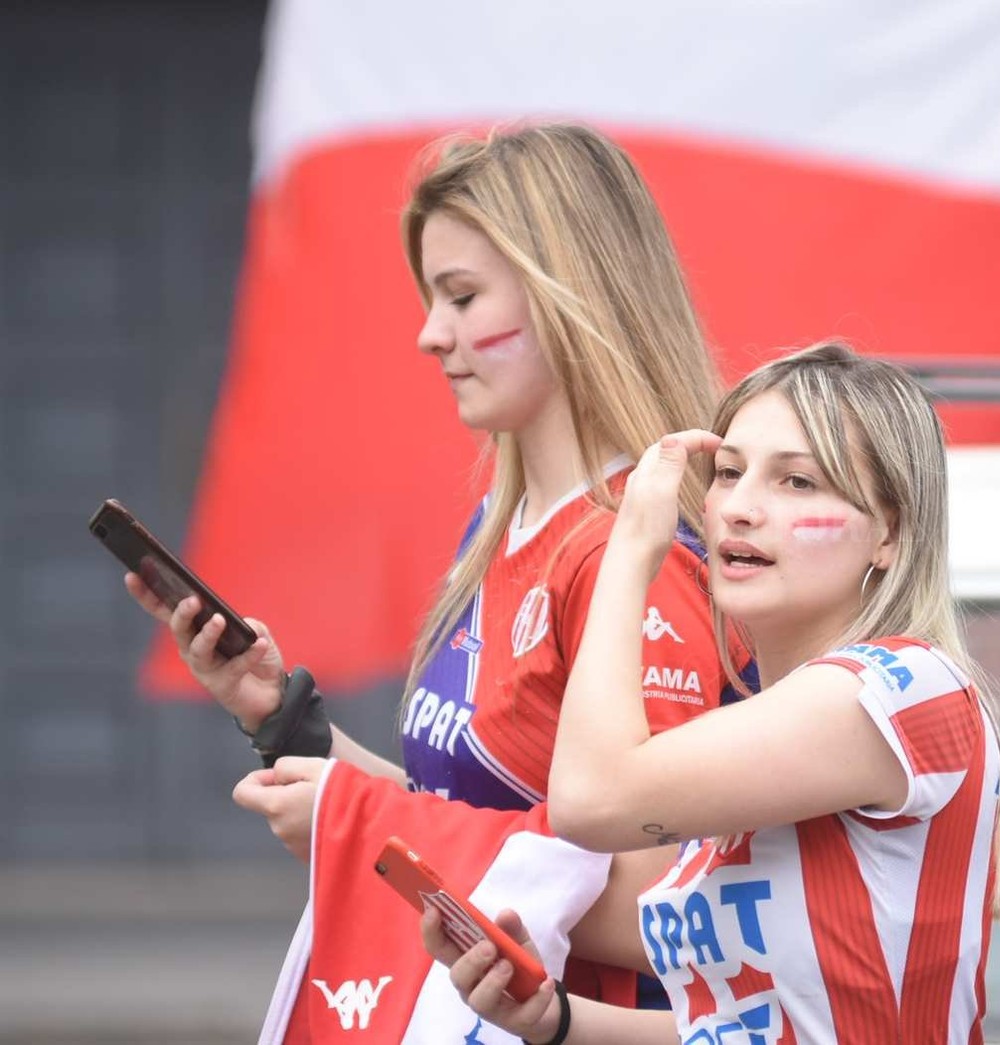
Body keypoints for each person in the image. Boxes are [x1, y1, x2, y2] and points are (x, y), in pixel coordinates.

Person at [124, 122, 739, 1009]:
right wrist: (285, 721)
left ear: (569, 296)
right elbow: (461, 809)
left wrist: (360, 826)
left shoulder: (636, 557)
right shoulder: (503, 523)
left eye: (460, 296)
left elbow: (666, 907)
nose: (428, 333)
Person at [425, 343, 1000, 1044]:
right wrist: (555, 1018)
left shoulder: (900, 685)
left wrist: (628, 553)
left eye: (796, 482)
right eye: (728, 472)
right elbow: (739, 1027)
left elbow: (588, 802)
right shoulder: (766, 740)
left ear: (887, 531)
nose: (739, 507)